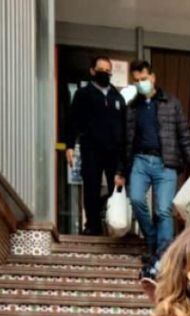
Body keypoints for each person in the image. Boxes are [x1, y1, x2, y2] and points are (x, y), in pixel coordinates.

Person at [121, 59, 190, 275]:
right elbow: (126, 141)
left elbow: (184, 136)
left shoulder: (172, 103)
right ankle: (152, 237)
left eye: (144, 78)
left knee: (163, 209)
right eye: (137, 80)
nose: (141, 83)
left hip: (165, 162)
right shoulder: (132, 108)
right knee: (137, 199)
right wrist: (121, 171)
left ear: (153, 77)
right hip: (140, 160)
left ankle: (164, 252)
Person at [63, 55, 126, 236]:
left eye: (108, 71)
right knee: (91, 187)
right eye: (101, 70)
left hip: (113, 151)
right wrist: (69, 145)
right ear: (92, 71)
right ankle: (93, 225)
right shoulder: (83, 94)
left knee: (117, 189)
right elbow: (73, 121)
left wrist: (124, 154)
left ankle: (115, 225)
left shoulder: (117, 97)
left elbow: (124, 127)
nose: (105, 74)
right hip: (91, 148)